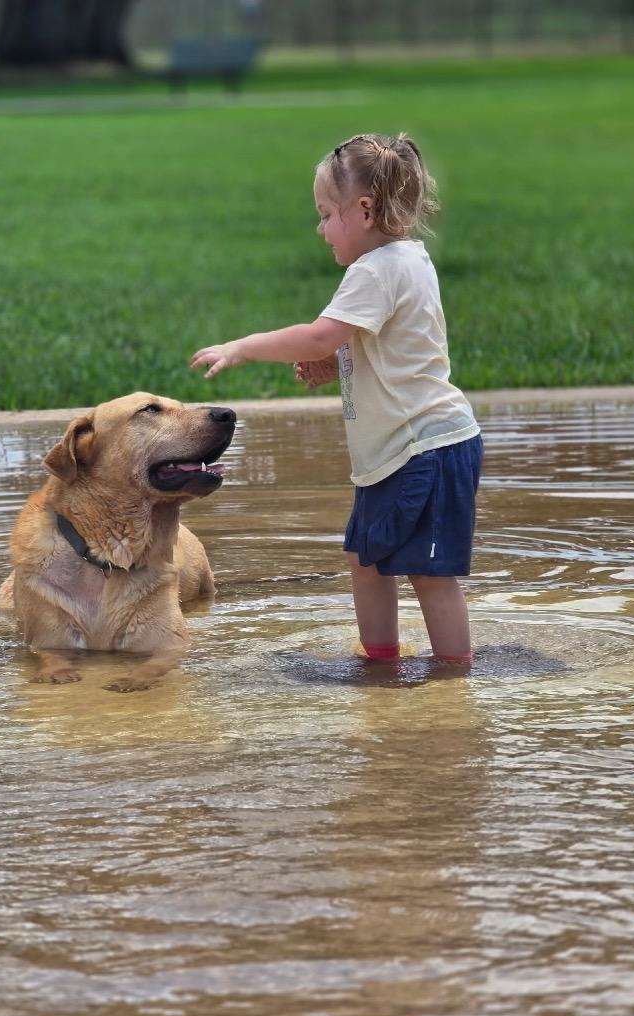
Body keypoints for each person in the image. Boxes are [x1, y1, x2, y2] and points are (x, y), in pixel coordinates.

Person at [189, 132, 482, 664]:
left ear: (364, 210)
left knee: (429, 576)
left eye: (326, 214)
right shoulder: (404, 259)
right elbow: (388, 340)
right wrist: (339, 360)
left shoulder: (375, 269)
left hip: (424, 449)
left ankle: (452, 685)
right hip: (399, 453)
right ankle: (380, 660)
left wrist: (246, 347)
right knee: (365, 559)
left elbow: (322, 333)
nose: (320, 228)